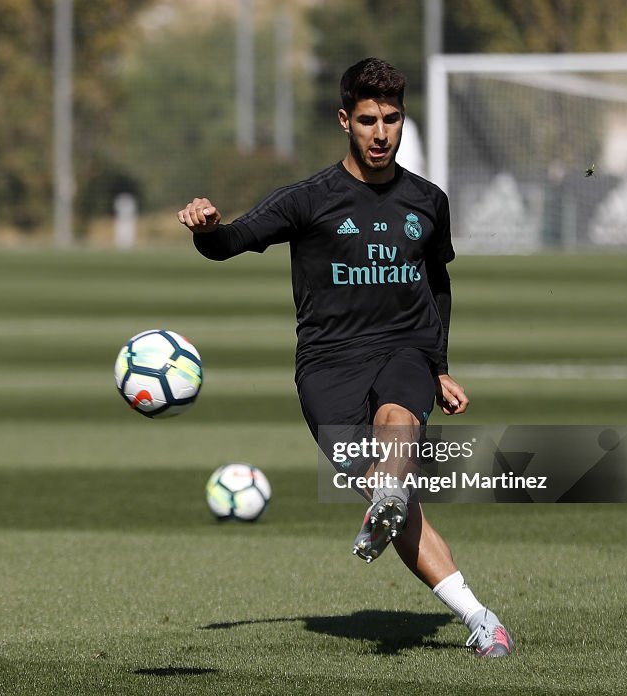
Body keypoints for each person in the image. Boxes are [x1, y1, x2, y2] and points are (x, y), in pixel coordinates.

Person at [177, 58, 513, 657]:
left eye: (391, 119)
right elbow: (229, 243)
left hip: (403, 348)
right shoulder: (308, 200)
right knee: (399, 505)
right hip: (327, 367)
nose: (381, 133)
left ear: (403, 119)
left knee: (398, 422)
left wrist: (437, 365)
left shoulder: (429, 201)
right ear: (344, 121)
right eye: (367, 120)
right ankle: (479, 613)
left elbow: (438, 283)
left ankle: (396, 505)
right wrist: (207, 227)